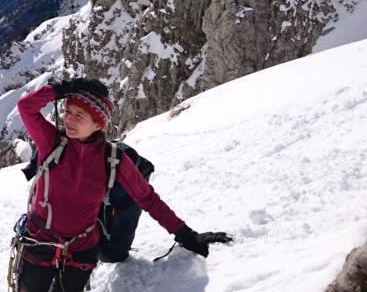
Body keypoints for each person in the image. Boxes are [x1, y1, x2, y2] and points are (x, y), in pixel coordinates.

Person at [12, 77, 231, 292]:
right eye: (67, 112)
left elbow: (147, 199)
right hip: (39, 241)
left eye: (79, 115)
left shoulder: (113, 159)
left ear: (98, 123)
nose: (69, 119)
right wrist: (65, 88)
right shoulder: (51, 142)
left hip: (80, 249)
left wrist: (187, 235)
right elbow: (26, 106)